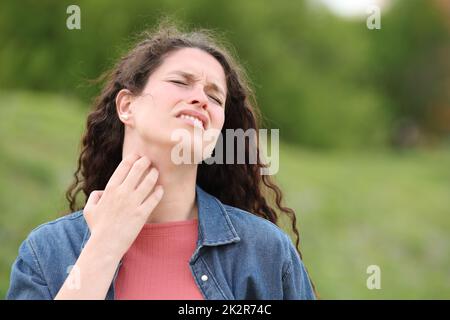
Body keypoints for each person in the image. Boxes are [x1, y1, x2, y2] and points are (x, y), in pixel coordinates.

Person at [6, 22, 316, 300]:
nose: (200, 99)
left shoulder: (264, 252)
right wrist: (105, 245)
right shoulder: (47, 251)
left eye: (215, 96)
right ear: (127, 106)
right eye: (181, 82)